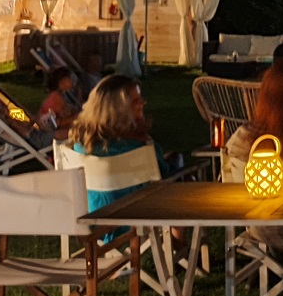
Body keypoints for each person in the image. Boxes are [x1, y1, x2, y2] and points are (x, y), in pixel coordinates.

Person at [67, 74, 182, 212]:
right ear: (118, 109)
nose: (143, 102)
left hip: (94, 218)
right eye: (136, 101)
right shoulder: (141, 148)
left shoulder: (80, 146)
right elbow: (164, 178)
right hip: (137, 217)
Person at [38, 66, 81, 136]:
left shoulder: (60, 95)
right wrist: (76, 117)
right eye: (69, 78)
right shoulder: (56, 98)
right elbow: (58, 122)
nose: (72, 80)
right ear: (61, 81)